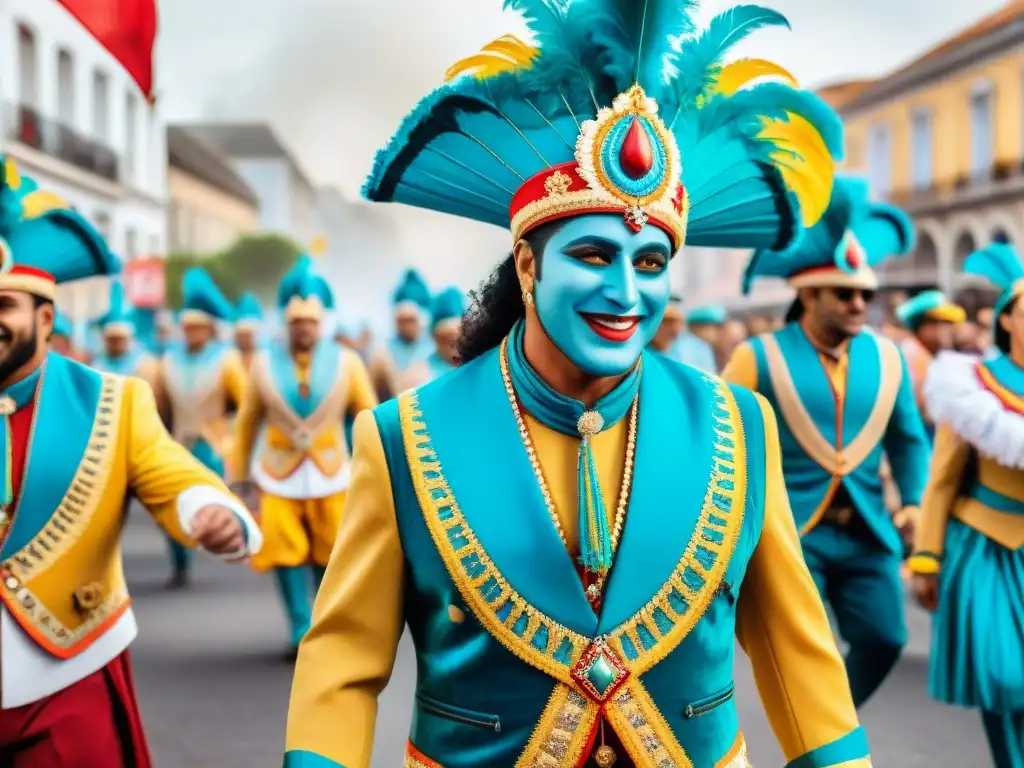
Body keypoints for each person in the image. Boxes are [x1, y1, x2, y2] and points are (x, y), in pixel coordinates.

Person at [282, 2, 872, 766]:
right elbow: (342, 664)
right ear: (528, 265)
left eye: (650, 263)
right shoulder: (403, 438)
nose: (626, 291)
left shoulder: (738, 425)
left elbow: (798, 650)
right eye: (593, 255)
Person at [0, 158, 262, 767]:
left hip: (63, 677)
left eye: (4, 304)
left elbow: (172, 474)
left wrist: (211, 509)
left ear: (45, 318)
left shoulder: (114, 401)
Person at [722, 175, 931, 709]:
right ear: (808, 294)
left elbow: (908, 440)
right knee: (804, 652)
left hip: (868, 532)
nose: (859, 304)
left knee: (886, 638)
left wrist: (912, 501)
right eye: (845, 293)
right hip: (793, 533)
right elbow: (722, 443)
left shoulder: (888, 358)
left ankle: (832, 724)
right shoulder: (757, 356)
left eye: (866, 294)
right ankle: (824, 739)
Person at [910, 242, 1024, 768]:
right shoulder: (972, 384)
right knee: (1005, 677)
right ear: (1007, 320)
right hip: (985, 545)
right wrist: (926, 558)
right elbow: (941, 480)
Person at [232, 257, 377, 657]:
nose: (304, 329)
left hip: (332, 471)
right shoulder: (263, 363)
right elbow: (246, 424)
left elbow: (369, 417)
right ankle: (299, 625)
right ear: (286, 324)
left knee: (332, 551)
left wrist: (378, 470)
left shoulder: (347, 363)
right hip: (277, 472)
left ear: (321, 323)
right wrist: (238, 478)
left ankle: (326, 623)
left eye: (310, 322)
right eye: (297, 323)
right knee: (284, 550)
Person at [157, 267, 247, 589]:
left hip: (213, 445)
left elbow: (246, 404)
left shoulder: (227, 360)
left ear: (209, 329)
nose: (192, 332)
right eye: (187, 327)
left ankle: (226, 543)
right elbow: (161, 406)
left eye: (198, 327)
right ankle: (180, 563)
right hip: (179, 442)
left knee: (213, 502)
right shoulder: (168, 362)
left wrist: (235, 439)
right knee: (173, 502)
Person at [895, 290, 966, 440]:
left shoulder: (929, 355)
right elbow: (927, 411)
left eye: (950, 323)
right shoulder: (912, 355)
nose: (949, 329)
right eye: (942, 323)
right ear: (922, 326)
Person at [367, 268, 433, 401]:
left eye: (411, 321)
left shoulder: (434, 350)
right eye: (402, 321)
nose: (407, 327)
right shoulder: (384, 354)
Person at [91, 280, 161, 396]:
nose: (116, 343)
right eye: (112, 339)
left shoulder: (145, 365)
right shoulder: (96, 367)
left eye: (120, 339)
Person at [397, 285, 465, 389]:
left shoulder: (477, 369)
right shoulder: (418, 378)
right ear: (434, 337)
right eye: (445, 339)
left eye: (457, 338)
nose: (452, 346)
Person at [233, 291, 264, 372]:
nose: (245, 340)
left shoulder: (265, 359)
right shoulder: (229, 360)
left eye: (248, 335)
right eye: (242, 335)